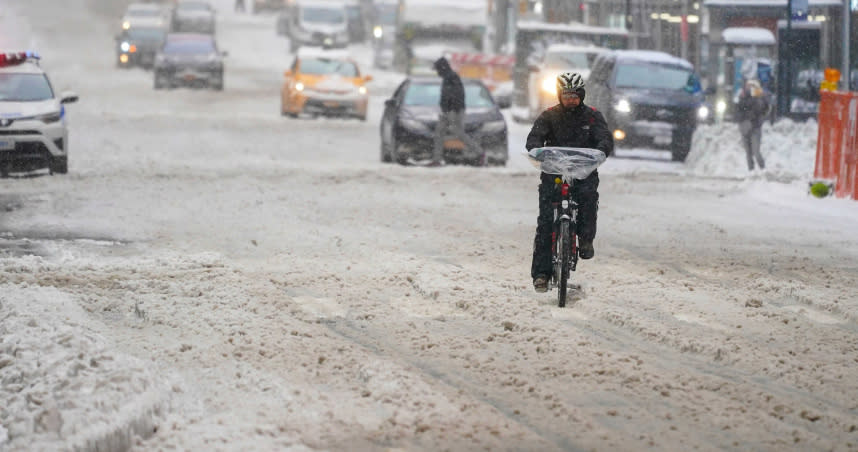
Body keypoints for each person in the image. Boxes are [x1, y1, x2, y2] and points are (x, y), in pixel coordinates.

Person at [525, 72, 613, 293]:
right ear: (559, 95)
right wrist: (536, 150)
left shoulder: (593, 117)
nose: (571, 99)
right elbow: (534, 138)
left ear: (582, 95)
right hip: (553, 174)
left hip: (583, 174)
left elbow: (604, 138)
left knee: (588, 200)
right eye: (567, 95)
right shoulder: (549, 116)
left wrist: (601, 150)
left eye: (575, 95)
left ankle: (585, 240)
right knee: (545, 221)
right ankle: (541, 275)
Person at [431, 57, 483, 166]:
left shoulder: (452, 77)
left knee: (458, 133)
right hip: (448, 111)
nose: (437, 73)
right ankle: (437, 159)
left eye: (437, 70)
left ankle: (479, 153)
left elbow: (455, 96)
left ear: (442, 68)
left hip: (454, 111)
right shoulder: (447, 77)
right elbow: (447, 96)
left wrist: (452, 110)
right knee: (439, 132)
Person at [736, 79, 768, 172]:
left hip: (755, 127)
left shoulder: (759, 97)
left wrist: (757, 97)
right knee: (748, 153)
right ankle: (751, 171)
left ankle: (763, 170)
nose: (750, 88)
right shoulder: (742, 97)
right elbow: (738, 112)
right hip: (745, 127)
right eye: (748, 86)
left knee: (756, 151)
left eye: (752, 86)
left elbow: (762, 109)